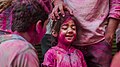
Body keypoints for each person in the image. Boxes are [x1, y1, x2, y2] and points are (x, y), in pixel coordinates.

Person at [49, 0, 120, 67]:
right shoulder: (53, 53)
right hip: (69, 44)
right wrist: (57, 1)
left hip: (99, 41)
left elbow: (116, 2)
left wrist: (109, 34)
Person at [0, 0, 49, 67]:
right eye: (45, 26)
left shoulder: (3, 41)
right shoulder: (25, 51)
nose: (45, 30)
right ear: (39, 26)